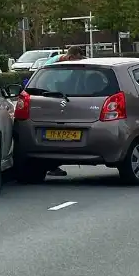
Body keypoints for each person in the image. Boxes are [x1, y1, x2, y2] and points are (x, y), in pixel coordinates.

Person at [45, 46, 85, 177]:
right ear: (71, 57)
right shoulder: (55, 65)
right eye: (77, 60)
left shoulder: (56, 61)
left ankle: (52, 165)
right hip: (51, 99)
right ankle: (52, 165)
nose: (78, 63)